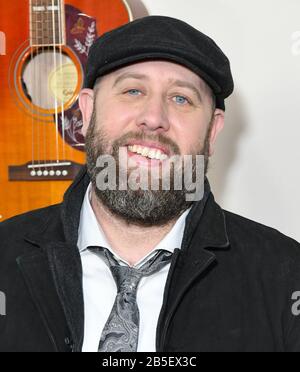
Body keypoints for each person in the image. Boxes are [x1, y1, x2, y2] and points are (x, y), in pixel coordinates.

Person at [0, 15, 300, 353]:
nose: (154, 117)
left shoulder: (286, 275)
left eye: (181, 99)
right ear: (87, 111)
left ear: (213, 132)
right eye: (132, 90)